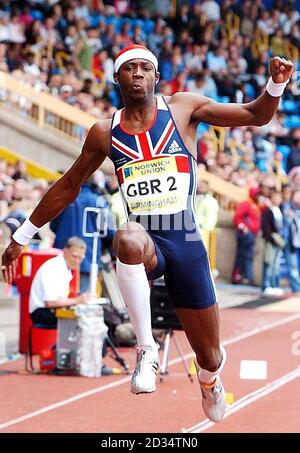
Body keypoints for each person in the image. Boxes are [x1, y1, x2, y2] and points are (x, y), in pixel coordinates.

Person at [1, 45, 293, 422]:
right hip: (149, 240)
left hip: (185, 242)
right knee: (126, 236)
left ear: (156, 77)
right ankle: (146, 349)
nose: (137, 73)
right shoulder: (105, 132)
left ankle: (210, 381)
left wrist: (275, 84)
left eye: (145, 68)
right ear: (117, 78)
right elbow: (68, 185)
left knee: (210, 355)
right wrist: (20, 237)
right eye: (129, 68)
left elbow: (255, 114)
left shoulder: (183, 109)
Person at [49, 174, 115, 293]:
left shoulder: (64, 198)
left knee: (59, 296)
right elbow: (109, 232)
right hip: (88, 257)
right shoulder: (98, 201)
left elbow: (53, 225)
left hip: (62, 256)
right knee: (82, 302)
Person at [29, 236, 90, 326]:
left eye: (81, 258)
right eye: (75, 256)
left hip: (50, 310)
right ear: (65, 252)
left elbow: (60, 299)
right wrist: (77, 300)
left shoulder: (65, 267)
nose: (77, 261)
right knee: (83, 322)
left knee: (87, 315)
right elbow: (50, 302)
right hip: (41, 312)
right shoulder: (55, 267)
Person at [232, 187, 261, 285]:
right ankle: (241, 277)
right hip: (246, 234)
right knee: (243, 255)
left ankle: (246, 277)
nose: (259, 196)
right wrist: (244, 229)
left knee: (247, 255)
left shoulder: (255, 205)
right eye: (257, 194)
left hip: (252, 234)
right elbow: (237, 218)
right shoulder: (246, 204)